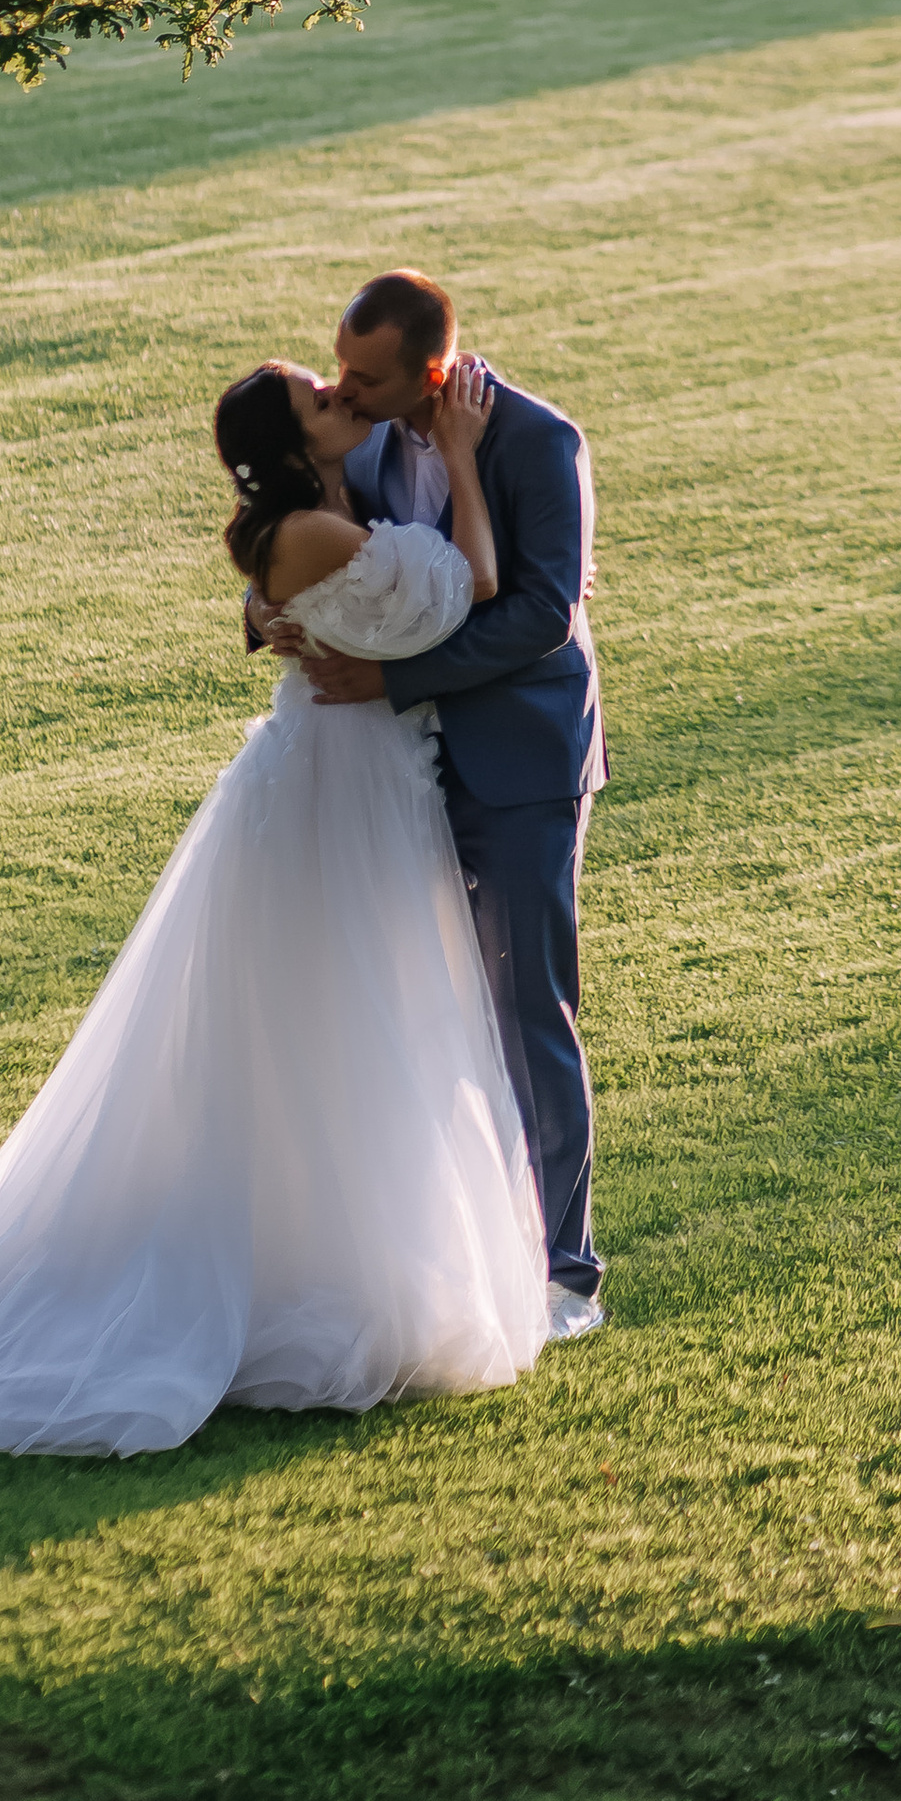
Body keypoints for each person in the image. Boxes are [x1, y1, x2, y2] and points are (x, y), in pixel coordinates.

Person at [0, 355, 546, 1455]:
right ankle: (313, 1272)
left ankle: (329, 1248)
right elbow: (473, 587)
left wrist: (268, 604)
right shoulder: (315, 528)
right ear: (288, 444)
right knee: (352, 1003)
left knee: (346, 1009)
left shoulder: (323, 508)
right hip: (340, 781)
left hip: (351, 768)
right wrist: (462, 462)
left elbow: (315, 586)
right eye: (319, 399)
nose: (338, 397)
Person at [265, 269, 608, 1339]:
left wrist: (395, 681)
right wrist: (275, 613)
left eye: (363, 375)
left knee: (525, 1010)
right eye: (337, 365)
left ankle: (565, 1275)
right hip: (399, 771)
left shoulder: (539, 441)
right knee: (422, 1009)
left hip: (518, 764)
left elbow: (544, 614)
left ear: (431, 367)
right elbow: (307, 542)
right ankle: (457, 1252)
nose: (341, 387)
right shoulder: (358, 441)